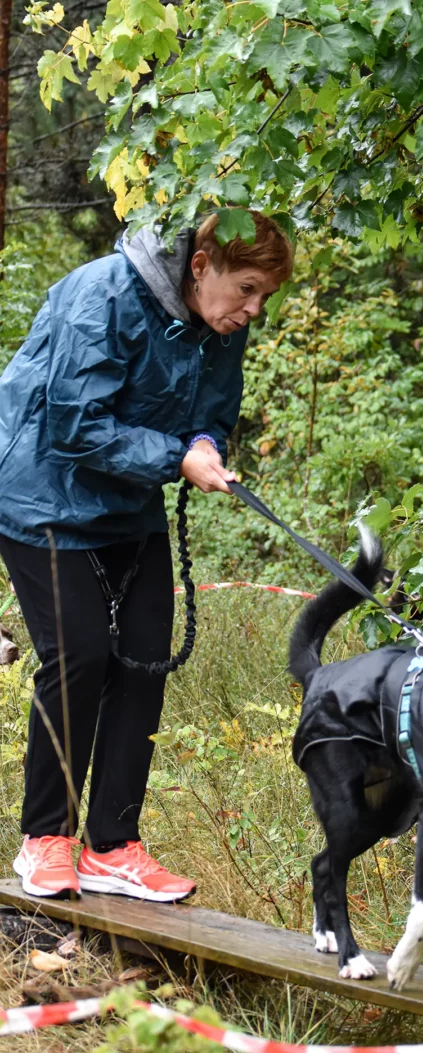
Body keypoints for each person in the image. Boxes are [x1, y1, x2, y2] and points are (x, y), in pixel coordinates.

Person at [0, 209, 293, 901]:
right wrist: (176, 457)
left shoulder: (220, 323)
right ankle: (44, 839)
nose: (254, 309)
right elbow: (76, 424)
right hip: (40, 495)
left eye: (264, 296)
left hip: (129, 504)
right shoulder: (101, 293)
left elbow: (212, 411)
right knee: (79, 657)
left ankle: (112, 846)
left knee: (143, 661)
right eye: (247, 289)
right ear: (202, 266)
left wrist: (206, 444)